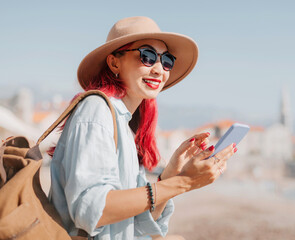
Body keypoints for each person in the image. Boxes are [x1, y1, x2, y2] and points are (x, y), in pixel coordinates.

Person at [48, 16, 237, 240]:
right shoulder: (96, 109)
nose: (159, 69)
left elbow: (136, 227)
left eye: (166, 60)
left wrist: (170, 176)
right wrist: (184, 182)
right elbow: (90, 211)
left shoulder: (125, 127)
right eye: (147, 56)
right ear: (114, 63)